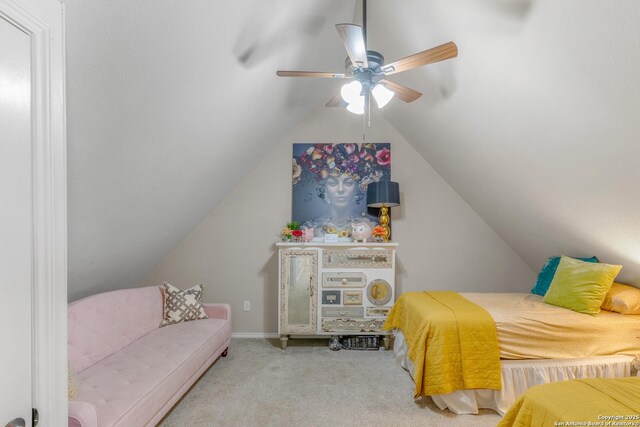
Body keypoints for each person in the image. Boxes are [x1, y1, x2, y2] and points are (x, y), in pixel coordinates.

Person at [293, 143, 391, 237]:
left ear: (357, 186)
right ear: (324, 187)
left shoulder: (371, 227)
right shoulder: (311, 227)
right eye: (333, 183)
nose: (340, 189)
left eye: (348, 183)